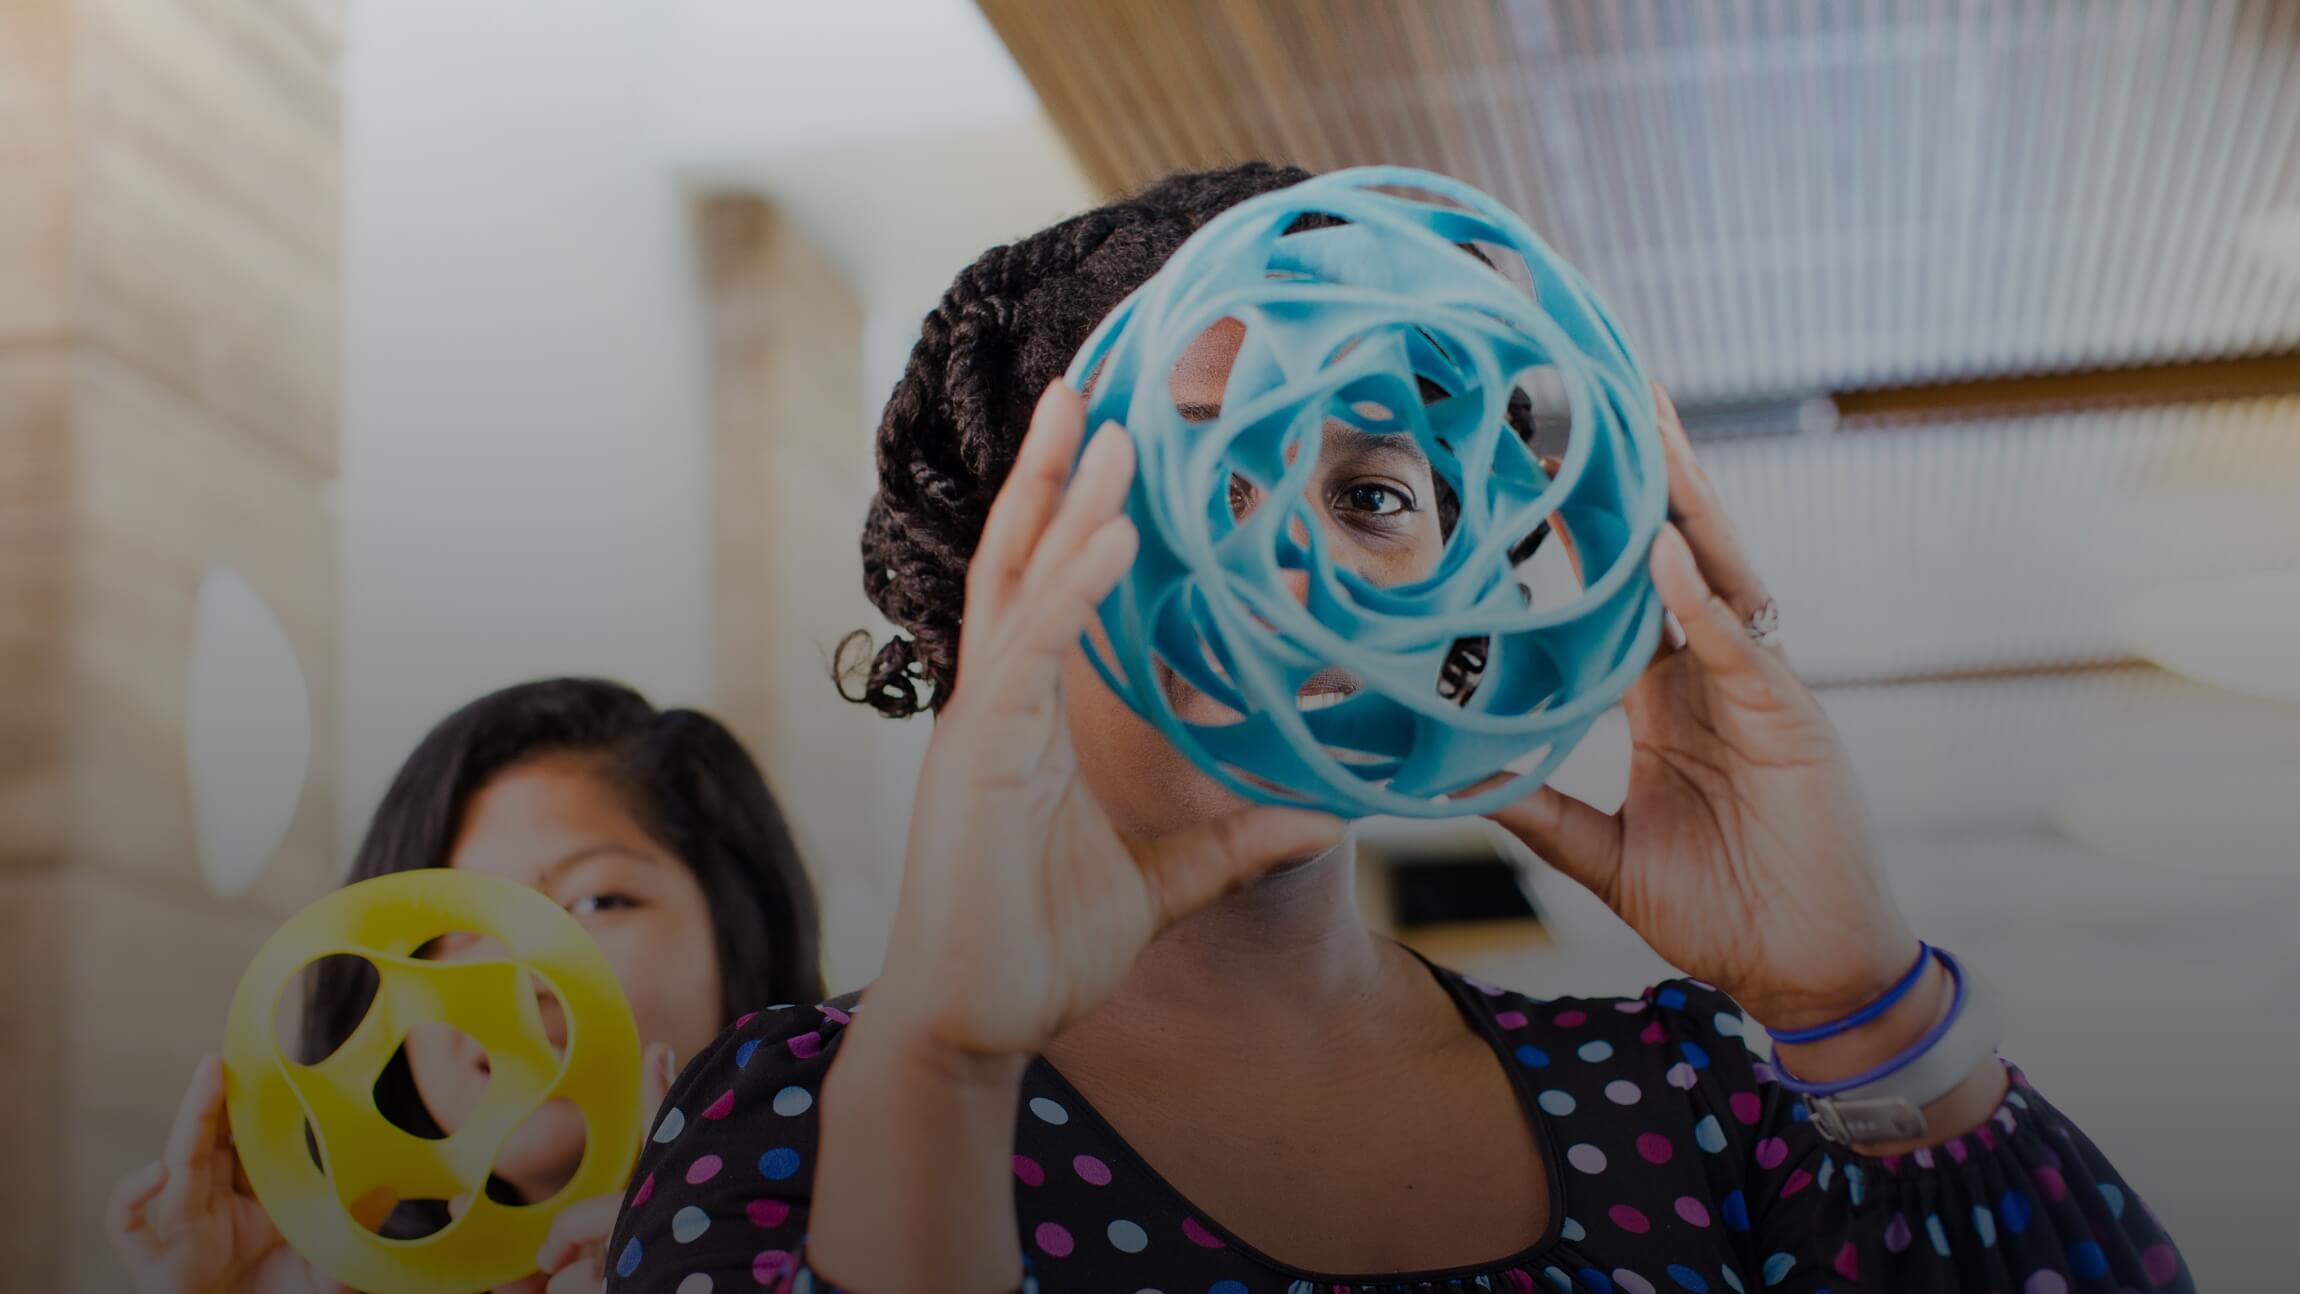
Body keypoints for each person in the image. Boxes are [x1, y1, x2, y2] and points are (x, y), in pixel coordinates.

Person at [605, 164, 2192, 1293]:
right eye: (1188, 478)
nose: (1288, 560)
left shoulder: (1697, 1100)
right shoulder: (797, 1114)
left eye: (1370, 492)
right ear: (989, 600)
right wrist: (944, 1075)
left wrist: (1859, 990)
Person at [107, 678, 825, 1294]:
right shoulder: (307, 1271)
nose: (513, 981)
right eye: (454, 924)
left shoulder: (883, 1218)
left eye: (595, 902)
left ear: (743, 938)